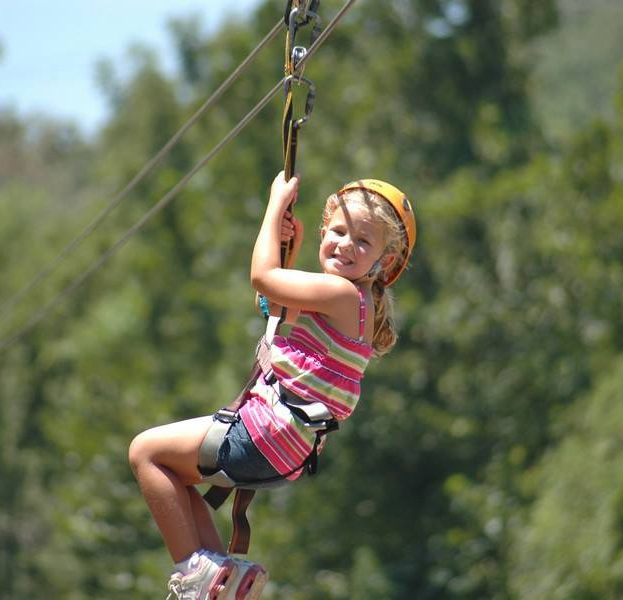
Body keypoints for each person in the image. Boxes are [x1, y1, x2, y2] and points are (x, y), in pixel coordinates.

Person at [128, 171, 416, 599]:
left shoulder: (343, 295)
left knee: (145, 452)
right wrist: (291, 248)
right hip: (289, 450)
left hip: (267, 433)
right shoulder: (353, 301)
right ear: (323, 232)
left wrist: (272, 207)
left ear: (385, 262)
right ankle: (218, 577)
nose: (344, 245)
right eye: (338, 232)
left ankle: (193, 572)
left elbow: (263, 279)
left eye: (362, 242)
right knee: (176, 476)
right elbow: (278, 310)